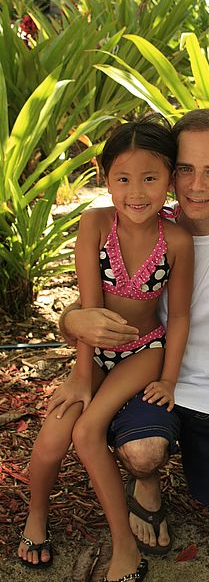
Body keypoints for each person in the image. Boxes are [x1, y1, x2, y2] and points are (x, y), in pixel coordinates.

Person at [56, 108, 209, 557]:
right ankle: (147, 479)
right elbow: (101, 305)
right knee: (143, 452)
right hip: (148, 381)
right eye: (186, 169)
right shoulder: (148, 223)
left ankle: (207, 464)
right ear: (170, 173)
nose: (195, 185)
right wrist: (69, 320)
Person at [17, 115, 194, 582]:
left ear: (171, 178)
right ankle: (36, 516)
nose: (137, 192)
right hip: (93, 352)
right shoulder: (95, 224)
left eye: (151, 178)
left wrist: (169, 378)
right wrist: (80, 374)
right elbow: (90, 311)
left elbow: (176, 316)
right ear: (104, 177)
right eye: (123, 179)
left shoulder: (176, 241)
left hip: (143, 352)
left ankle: (124, 548)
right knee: (54, 434)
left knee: (88, 431)